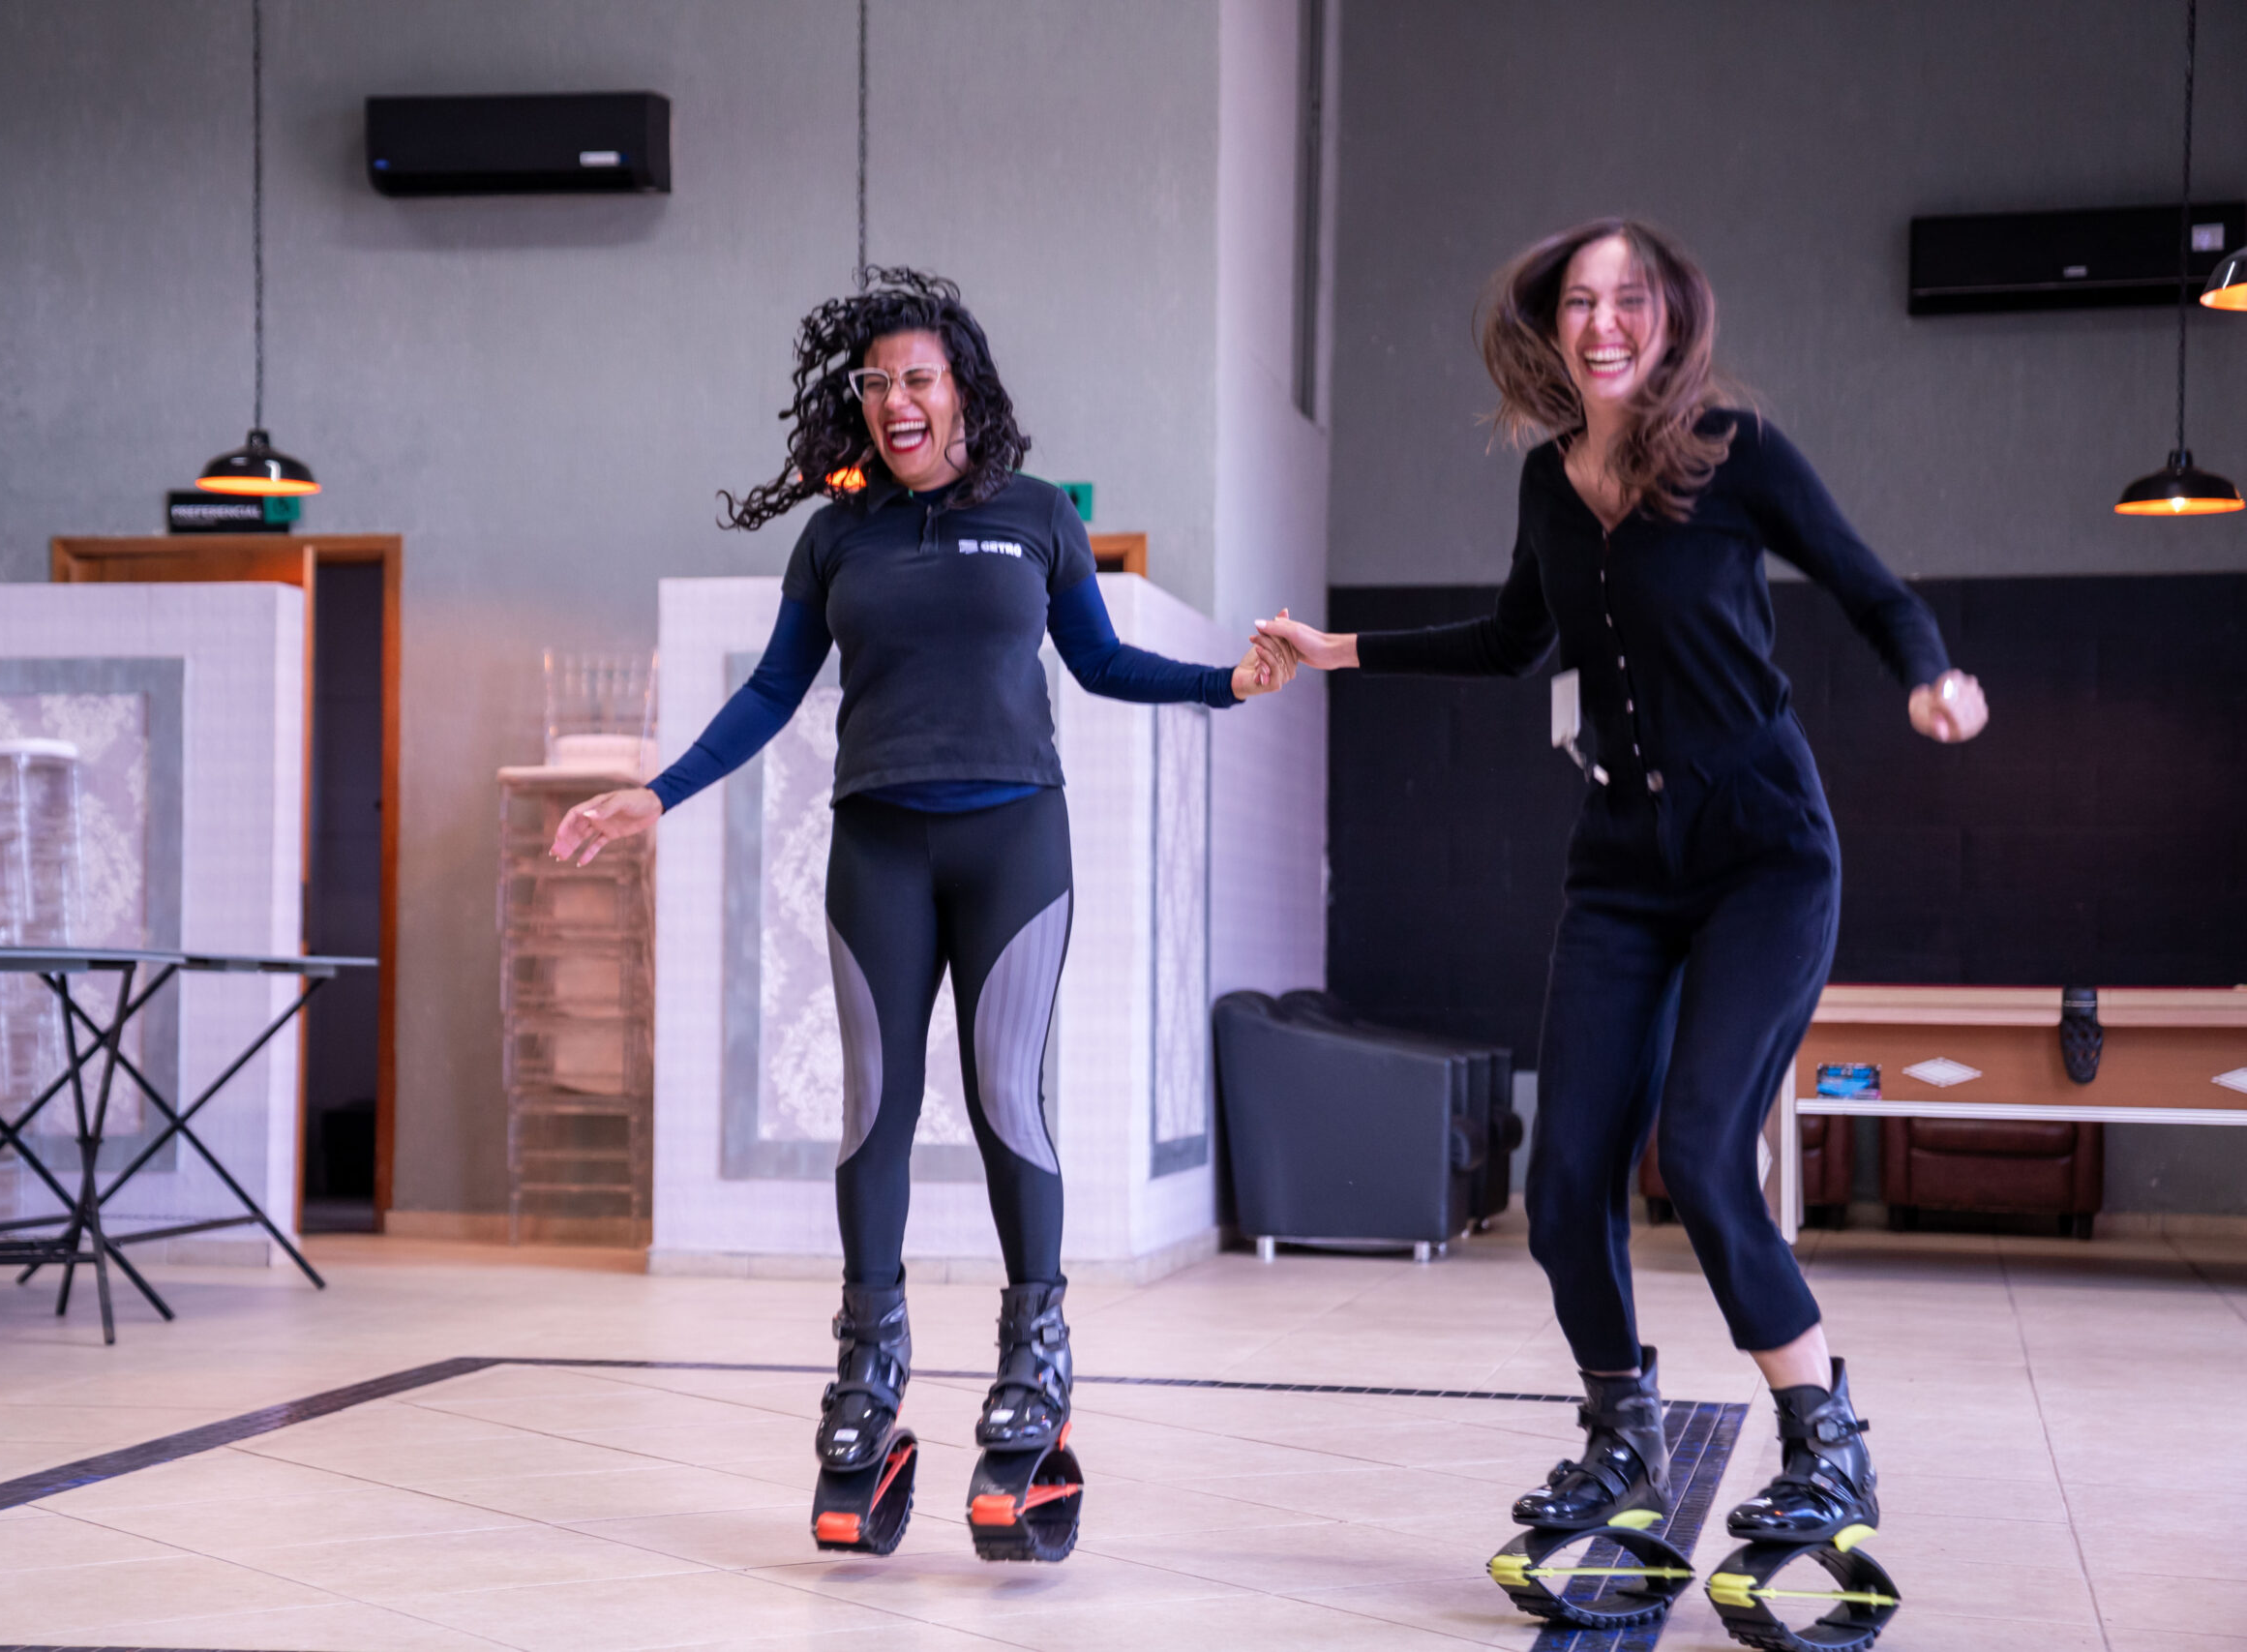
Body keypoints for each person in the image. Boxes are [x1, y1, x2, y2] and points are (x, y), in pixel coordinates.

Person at [1256, 220, 1987, 1549]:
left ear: (1671, 317)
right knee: (1566, 1179)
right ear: (1552, 324)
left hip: (1765, 855)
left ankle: (1826, 1445)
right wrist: (1331, 648)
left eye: (1628, 298)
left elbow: (1871, 586)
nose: (1601, 322)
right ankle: (1620, 1437)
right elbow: (1510, 639)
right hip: (1623, 871)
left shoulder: (1734, 454)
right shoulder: (1548, 482)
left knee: (1704, 1155)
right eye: (1578, 300)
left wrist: (1931, 675)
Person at [552, 267, 1293, 1486]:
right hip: (879, 849)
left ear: (961, 391)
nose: (895, 400)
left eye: (918, 378)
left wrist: (1225, 683)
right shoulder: (837, 534)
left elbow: (1100, 665)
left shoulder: (1041, 515)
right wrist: (657, 790)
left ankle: (1036, 1352)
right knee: (873, 1113)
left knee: (1008, 1101)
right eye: (876, 382)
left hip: (1016, 848)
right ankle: (869, 1360)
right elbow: (772, 691)